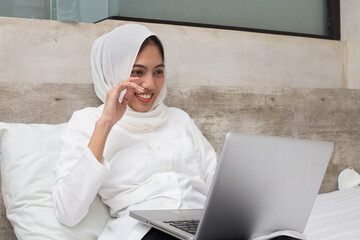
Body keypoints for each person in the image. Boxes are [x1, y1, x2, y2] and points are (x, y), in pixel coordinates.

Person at [52, 24, 217, 240]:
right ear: (112, 71)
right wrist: (107, 123)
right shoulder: (88, 121)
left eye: (158, 72)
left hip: (205, 225)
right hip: (146, 231)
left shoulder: (180, 119)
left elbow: (218, 182)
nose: (150, 84)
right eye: (137, 72)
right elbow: (68, 212)